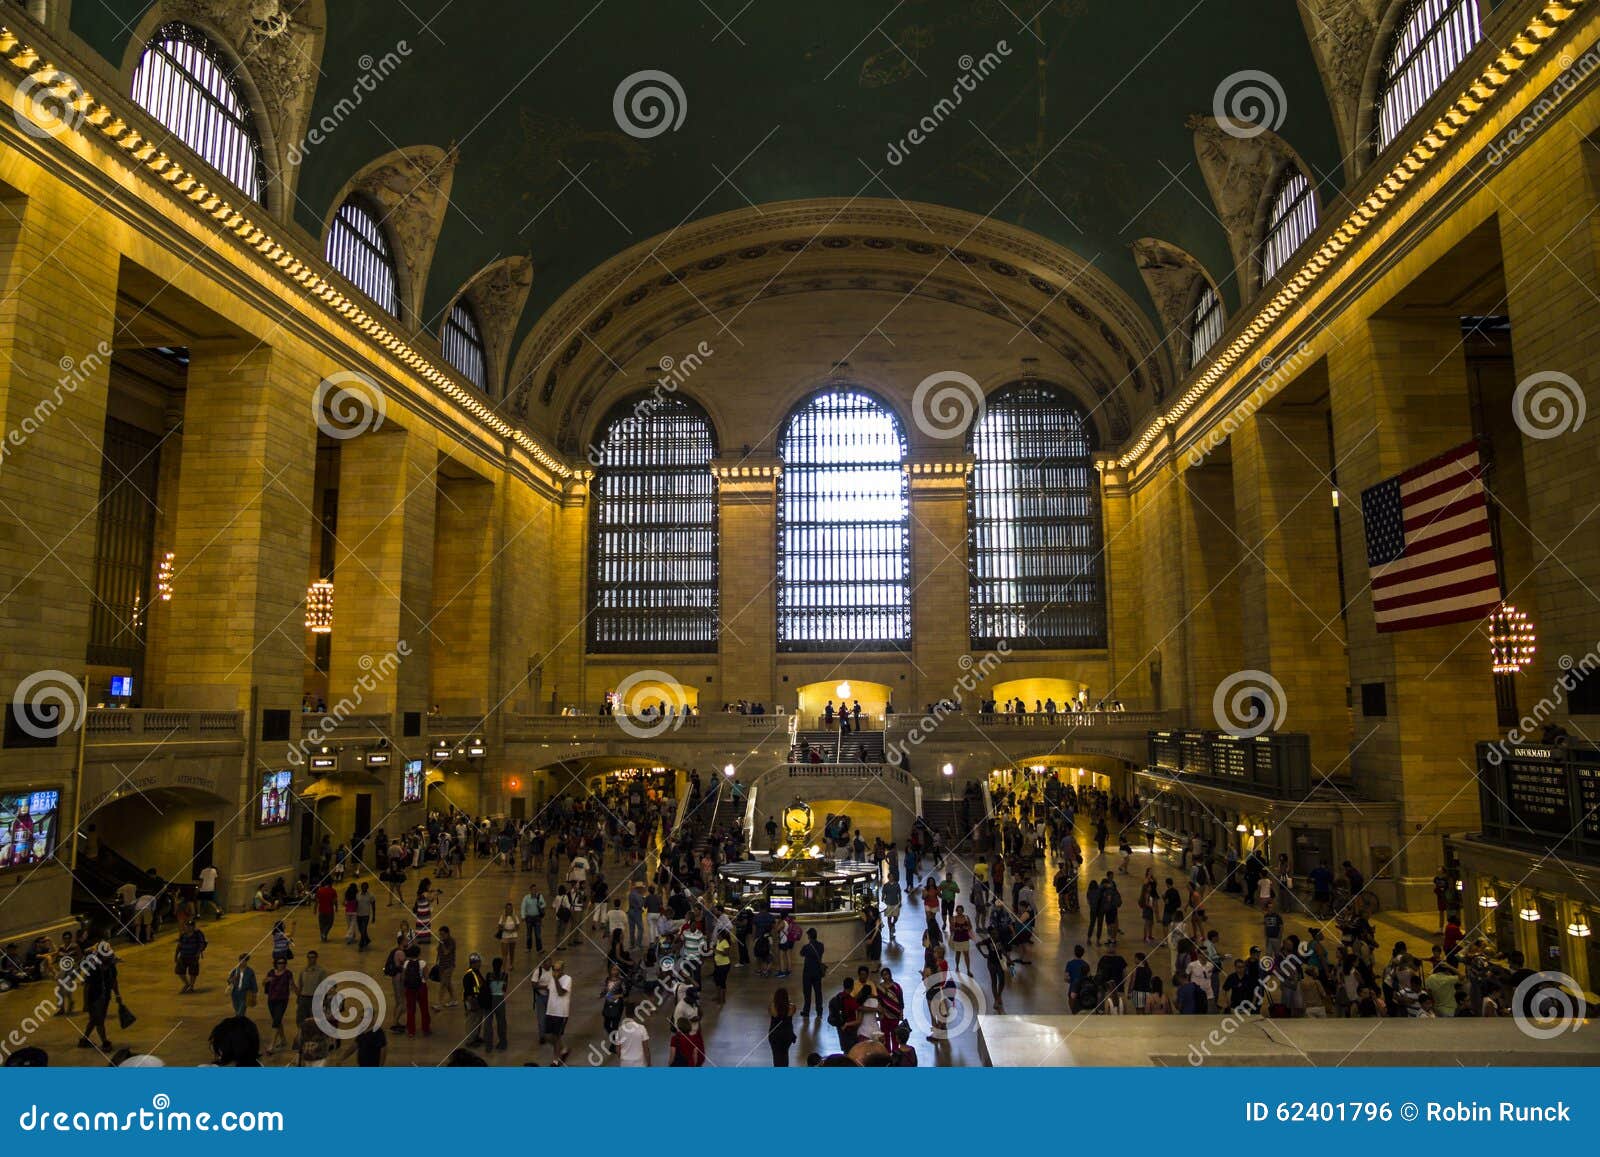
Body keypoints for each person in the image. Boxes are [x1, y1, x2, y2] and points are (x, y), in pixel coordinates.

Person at [544, 958, 572, 1065]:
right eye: (554, 970)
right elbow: (549, 990)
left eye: (558, 970)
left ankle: (555, 1061)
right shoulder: (551, 979)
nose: (556, 972)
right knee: (548, 1036)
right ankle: (564, 1049)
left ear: (562, 969)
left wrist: (556, 980)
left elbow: (560, 993)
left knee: (556, 1037)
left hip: (561, 1013)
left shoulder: (567, 979)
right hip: (550, 1011)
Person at [262, 956, 293, 1054]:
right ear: (276, 963)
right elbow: (263, 983)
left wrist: (295, 990)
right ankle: (283, 1040)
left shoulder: (288, 973)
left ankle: (271, 1046)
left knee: (276, 1021)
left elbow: (291, 984)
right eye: (280, 963)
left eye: (283, 963)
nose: (282, 965)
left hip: (282, 1000)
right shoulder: (271, 972)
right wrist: (266, 980)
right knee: (277, 1020)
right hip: (271, 1000)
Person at [482, 956, 508, 1050]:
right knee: (501, 1022)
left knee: (488, 1023)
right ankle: (503, 1043)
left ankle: (488, 1044)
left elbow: (486, 987)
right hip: (500, 999)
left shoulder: (489, 975)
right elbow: (504, 989)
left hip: (490, 999)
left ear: (492, 965)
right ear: (501, 966)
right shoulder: (505, 975)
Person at [174, 918, 207, 993]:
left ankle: (191, 986)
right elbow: (179, 946)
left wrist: (198, 952)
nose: (189, 927)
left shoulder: (197, 934)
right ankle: (187, 984)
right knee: (179, 971)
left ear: (193, 926)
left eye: (191, 926)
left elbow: (202, 944)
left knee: (193, 972)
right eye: (187, 926)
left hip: (193, 956)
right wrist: (176, 956)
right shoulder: (183, 935)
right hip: (183, 956)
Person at [799, 927, 825, 1017]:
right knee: (818, 993)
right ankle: (819, 1011)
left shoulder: (806, 947)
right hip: (817, 972)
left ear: (809, 936)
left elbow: (801, 953)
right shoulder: (821, 946)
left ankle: (806, 1011)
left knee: (807, 993)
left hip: (807, 973)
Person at [767, 987, 797, 1066]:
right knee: (785, 1054)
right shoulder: (791, 1007)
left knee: (776, 1056)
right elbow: (791, 1011)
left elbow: (774, 1013)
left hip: (775, 1035)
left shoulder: (772, 1007)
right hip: (787, 1035)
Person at [226, 952, 256, 1019]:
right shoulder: (235, 970)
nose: (241, 962)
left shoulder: (250, 971)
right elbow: (228, 981)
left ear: (246, 961)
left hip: (244, 993)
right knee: (237, 1011)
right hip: (235, 993)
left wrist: (254, 993)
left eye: (243, 961)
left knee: (240, 1013)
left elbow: (253, 983)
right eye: (240, 960)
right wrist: (232, 979)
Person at [521, 884, 546, 953]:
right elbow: (523, 907)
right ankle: (528, 948)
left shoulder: (539, 896)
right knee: (529, 934)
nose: (534, 891)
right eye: (533, 889)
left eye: (535, 889)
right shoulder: (526, 897)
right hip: (529, 918)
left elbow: (544, 904)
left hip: (537, 918)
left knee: (538, 934)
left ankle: (539, 949)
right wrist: (523, 916)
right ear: (530, 890)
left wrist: (539, 903)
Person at [495, 902, 520, 969]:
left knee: (512, 952)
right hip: (505, 936)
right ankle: (504, 966)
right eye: (507, 908)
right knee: (504, 953)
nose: (509, 910)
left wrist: (512, 930)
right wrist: (506, 930)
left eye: (510, 908)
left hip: (513, 936)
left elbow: (518, 926)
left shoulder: (515, 917)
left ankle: (511, 965)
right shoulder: (502, 917)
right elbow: (499, 926)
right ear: (505, 909)